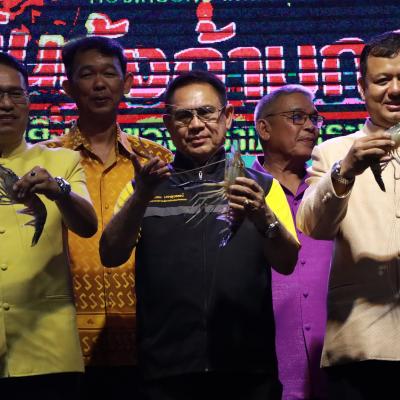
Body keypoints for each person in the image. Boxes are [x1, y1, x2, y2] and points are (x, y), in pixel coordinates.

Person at [100, 70, 300, 400]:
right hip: (166, 369)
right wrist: (141, 196)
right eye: (183, 116)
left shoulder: (262, 187)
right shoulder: (144, 187)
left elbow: (288, 262)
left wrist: (262, 214)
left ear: (228, 116)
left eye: (206, 112)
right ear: (168, 124)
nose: (195, 125)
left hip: (248, 369)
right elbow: (110, 255)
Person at [44, 36, 172, 398]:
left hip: (146, 339)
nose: (99, 84)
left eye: (109, 74)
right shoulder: (46, 161)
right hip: (63, 343)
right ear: (68, 87)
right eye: (87, 74)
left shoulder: (156, 160)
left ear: (127, 83)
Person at [296, 30, 400, 400]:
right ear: (361, 88)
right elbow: (313, 225)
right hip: (363, 342)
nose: (395, 90)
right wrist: (346, 170)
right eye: (383, 80)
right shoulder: (333, 152)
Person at [0, 53, 97, 398]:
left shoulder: (62, 161)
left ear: (29, 102)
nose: (6, 104)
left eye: (16, 94)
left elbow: (88, 225)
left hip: (46, 347)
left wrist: (59, 190)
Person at [253, 85, 332, 399]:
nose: (311, 127)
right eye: (298, 117)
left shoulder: (330, 191)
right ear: (264, 128)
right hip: (263, 367)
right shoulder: (240, 192)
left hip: (336, 366)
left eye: (315, 118)